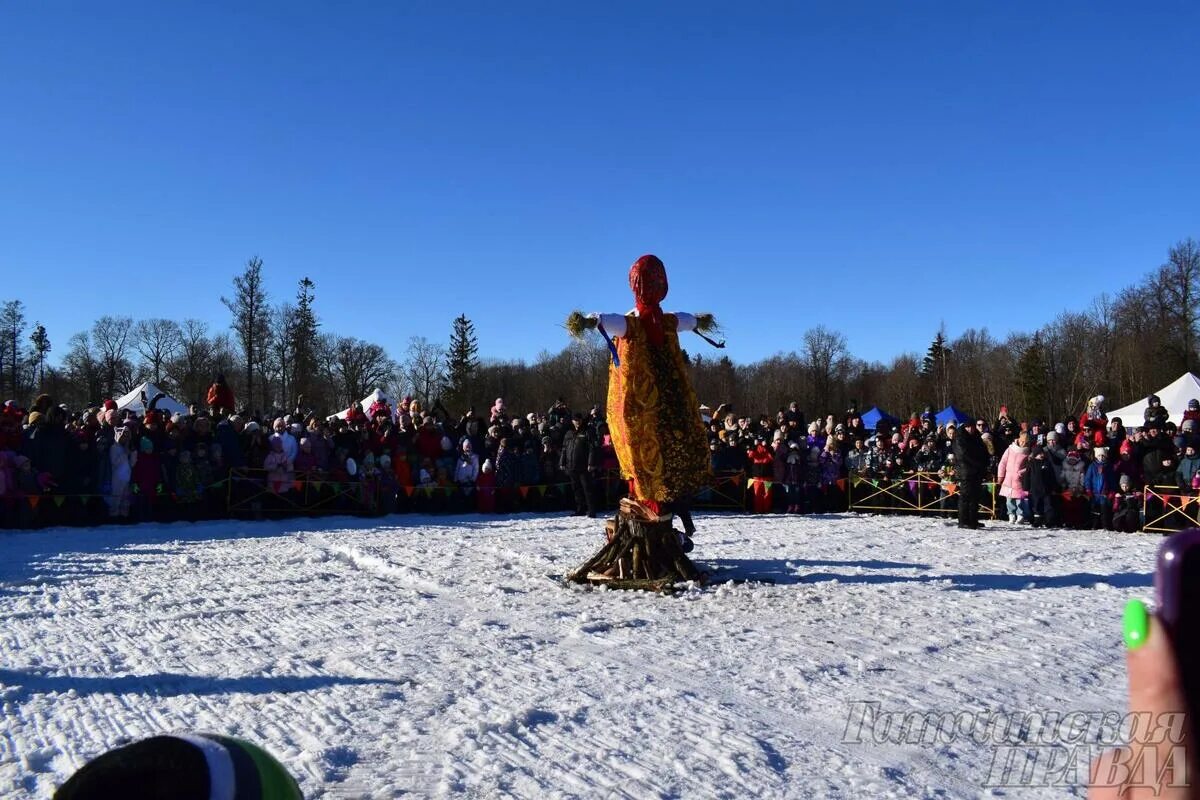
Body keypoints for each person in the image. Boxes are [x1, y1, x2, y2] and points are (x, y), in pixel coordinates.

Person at [951, 418, 988, 529]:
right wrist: (977, 464)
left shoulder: (976, 436)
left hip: (976, 471)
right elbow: (963, 455)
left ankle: (973, 520)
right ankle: (963, 521)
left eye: (972, 427)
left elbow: (983, 451)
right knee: (965, 496)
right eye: (968, 427)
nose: (970, 429)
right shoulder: (960, 437)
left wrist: (983, 464)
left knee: (975, 497)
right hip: (965, 471)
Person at [560, 413, 597, 516]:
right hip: (571, 465)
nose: (577, 422)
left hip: (584, 466)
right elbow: (564, 448)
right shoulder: (568, 433)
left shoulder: (587, 431)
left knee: (587, 488)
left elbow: (591, 449)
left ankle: (591, 510)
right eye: (575, 420)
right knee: (576, 489)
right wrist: (562, 461)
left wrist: (591, 463)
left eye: (579, 420)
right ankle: (580, 509)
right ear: (572, 421)